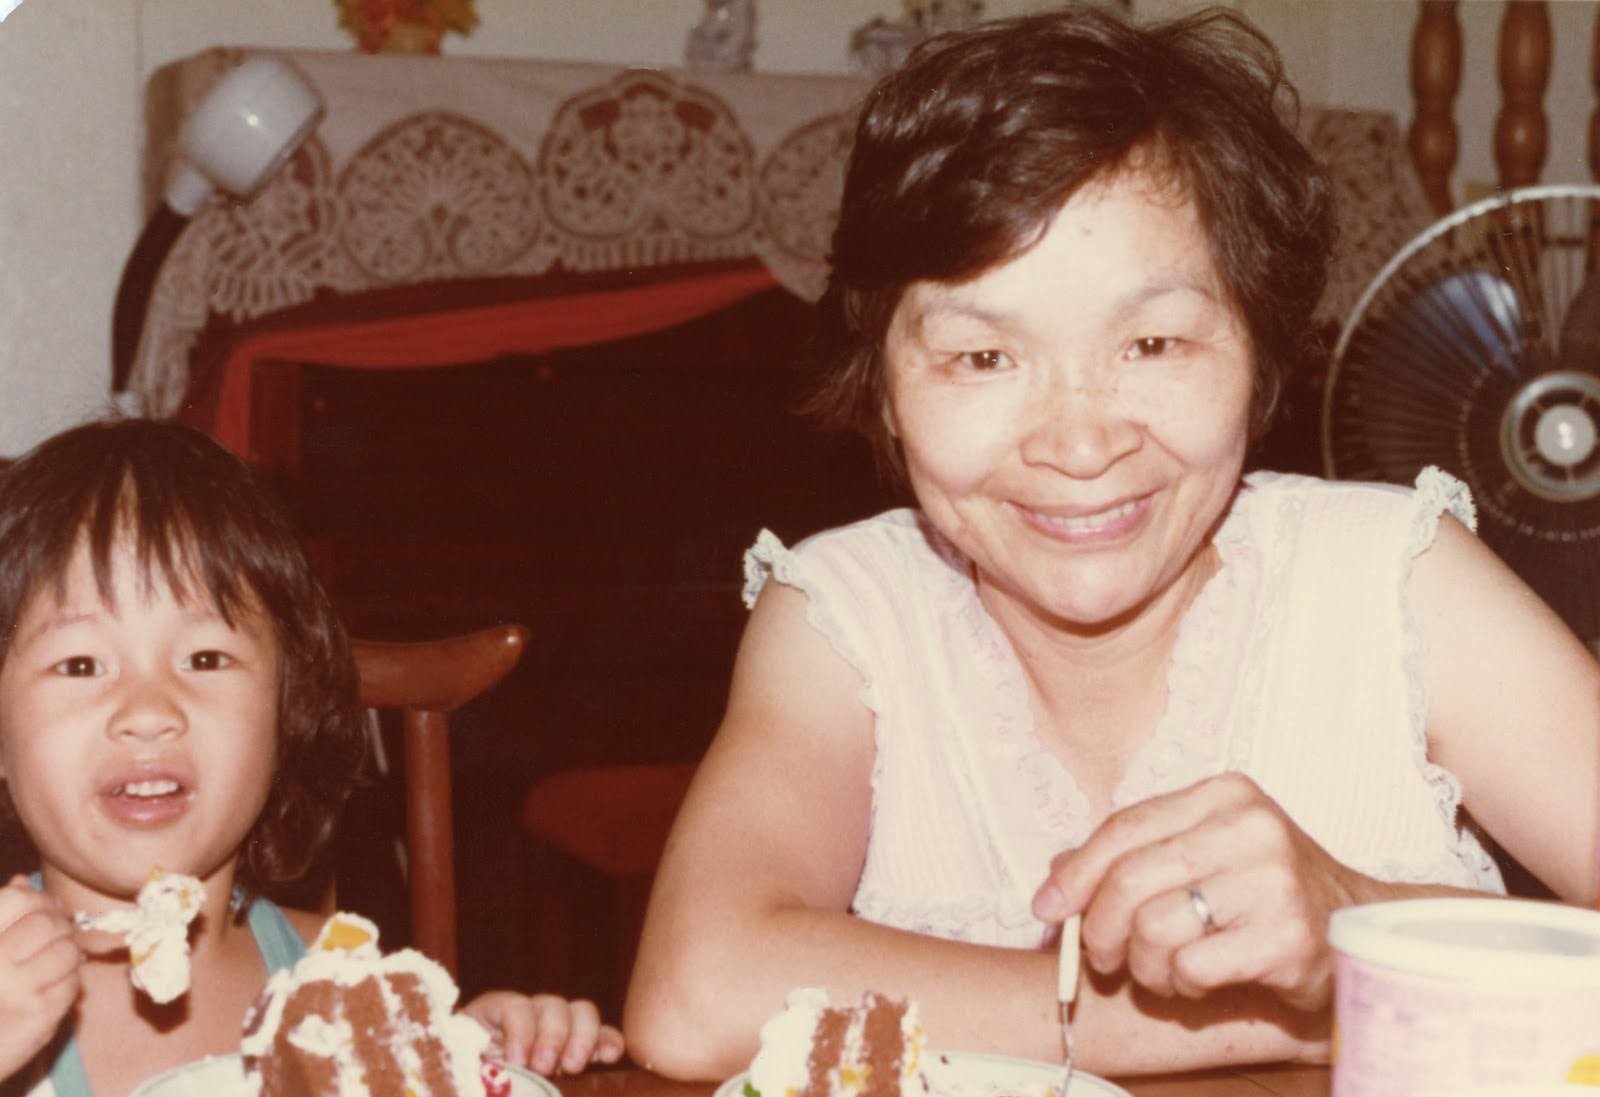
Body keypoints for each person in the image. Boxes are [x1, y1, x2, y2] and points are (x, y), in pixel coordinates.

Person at [623, 3, 1600, 1081]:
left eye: (1153, 341)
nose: (1081, 441)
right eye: (982, 358)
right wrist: (1324, 1001)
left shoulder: (1395, 585)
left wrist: (1353, 913)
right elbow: (695, 991)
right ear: (884, 390)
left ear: (1261, 356)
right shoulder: (849, 621)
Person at [0, 418, 624, 1096]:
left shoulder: (346, 977)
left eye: (206, 657)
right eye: (80, 663)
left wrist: (470, 1054)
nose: (150, 711)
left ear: (286, 712)